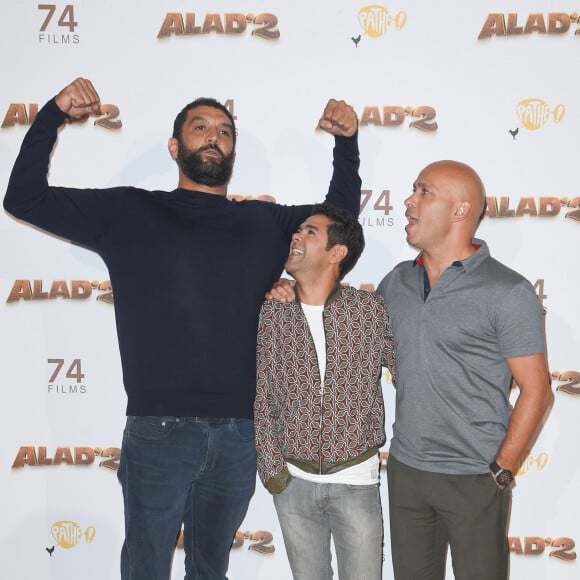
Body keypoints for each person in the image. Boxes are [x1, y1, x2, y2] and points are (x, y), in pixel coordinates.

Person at [3, 78, 361, 580]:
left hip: (241, 433)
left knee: (210, 571)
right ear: (176, 147)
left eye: (225, 131)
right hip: (158, 432)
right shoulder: (130, 210)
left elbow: (340, 221)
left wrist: (347, 144)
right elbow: (24, 198)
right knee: (146, 570)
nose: (214, 137)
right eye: (200, 128)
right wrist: (52, 115)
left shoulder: (264, 221)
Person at [376, 160, 553, 579]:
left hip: (476, 478)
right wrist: (292, 289)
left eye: (423, 192)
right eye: (412, 190)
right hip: (407, 473)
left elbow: (537, 390)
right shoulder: (395, 283)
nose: (408, 201)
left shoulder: (507, 291)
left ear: (459, 211)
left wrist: (501, 469)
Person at [254, 202, 396, 580]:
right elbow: (263, 395)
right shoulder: (272, 311)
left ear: (337, 253)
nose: (296, 236)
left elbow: (407, 373)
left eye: (309, 232)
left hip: (356, 483)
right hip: (293, 486)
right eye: (298, 230)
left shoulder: (369, 311)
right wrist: (273, 473)